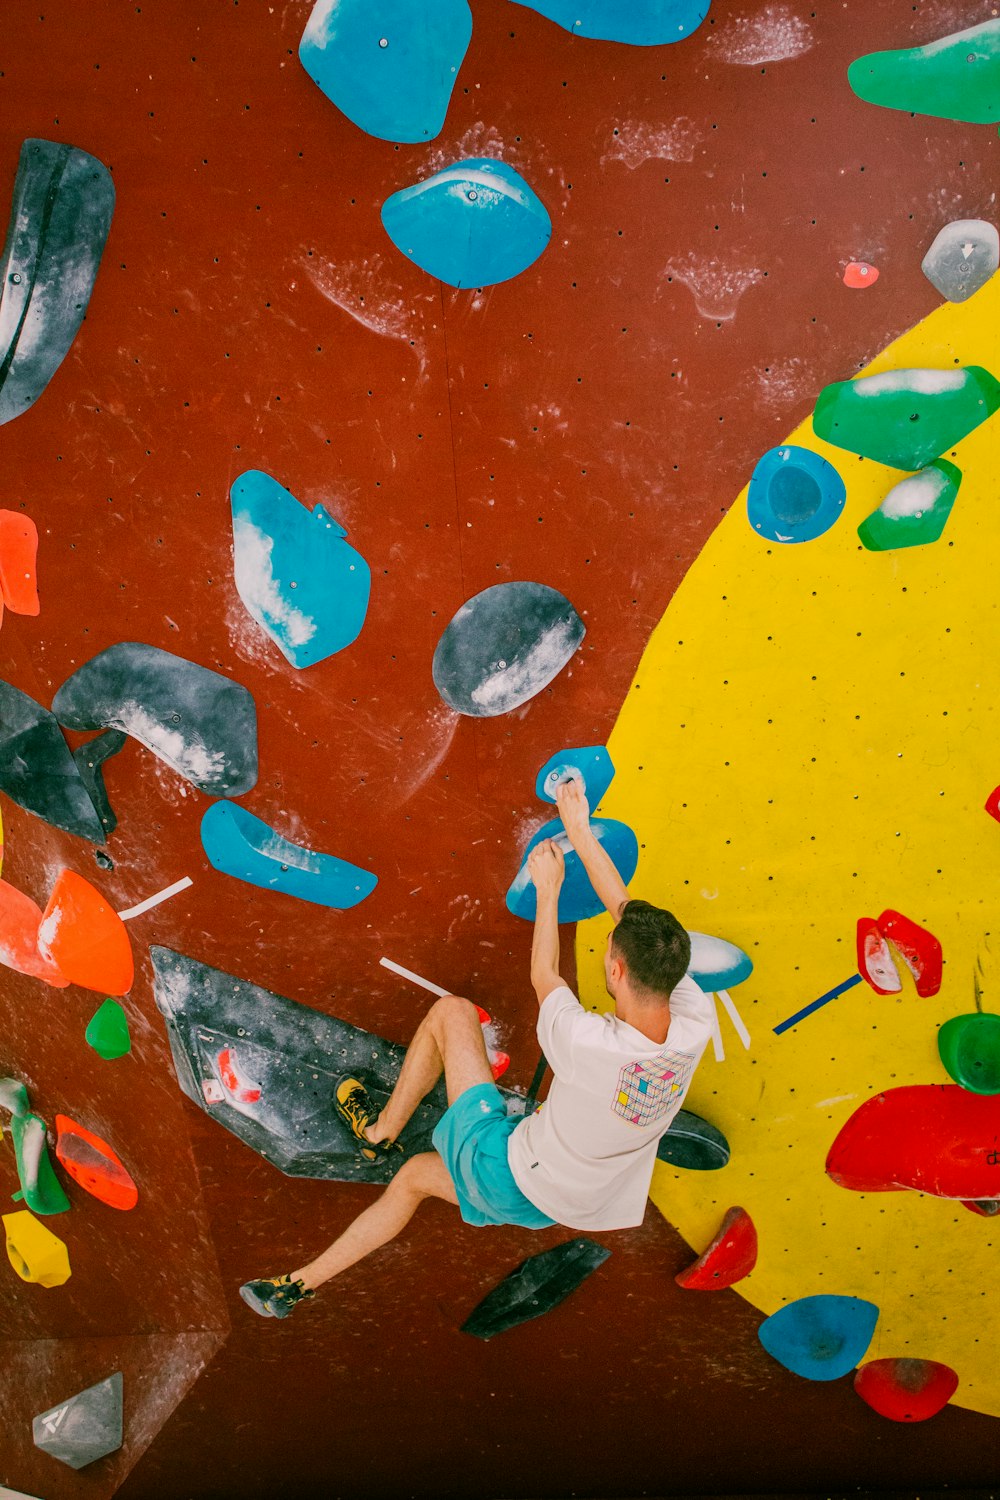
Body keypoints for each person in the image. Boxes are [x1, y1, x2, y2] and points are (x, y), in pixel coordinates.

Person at [240, 777, 713, 1318]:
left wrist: (549, 888)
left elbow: (543, 973)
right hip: (564, 1199)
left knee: (452, 1014)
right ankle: (295, 1287)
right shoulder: (693, 1018)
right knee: (414, 1178)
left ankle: (378, 1131)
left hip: (505, 1166)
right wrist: (579, 830)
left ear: (615, 969)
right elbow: (628, 912)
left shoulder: (587, 1042)